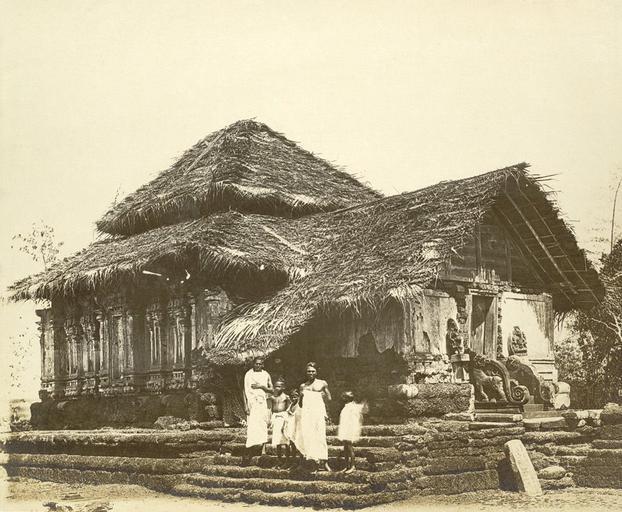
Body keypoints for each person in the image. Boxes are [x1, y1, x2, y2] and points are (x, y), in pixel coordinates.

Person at [299, 361, 332, 473]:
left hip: (318, 413)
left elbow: (329, 398)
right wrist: (301, 397)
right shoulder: (303, 386)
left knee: (320, 436)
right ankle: (312, 462)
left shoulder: (322, 383)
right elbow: (300, 404)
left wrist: (323, 396)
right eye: (309, 371)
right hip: (307, 414)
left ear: (317, 372)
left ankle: (325, 462)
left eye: (313, 371)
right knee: (308, 436)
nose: (311, 373)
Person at [242, 356, 273, 465]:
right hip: (252, 404)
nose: (258, 365)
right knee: (252, 427)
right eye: (256, 364)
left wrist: (262, 387)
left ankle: (263, 450)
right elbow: (244, 391)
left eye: (260, 364)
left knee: (263, 425)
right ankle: (249, 450)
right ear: (253, 364)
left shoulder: (266, 374)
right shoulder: (248, 374)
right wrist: (245, 405)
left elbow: (272, 389)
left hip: (262, 403)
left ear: (262, 365)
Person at [337, 391, 368, 473]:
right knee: (345, 447)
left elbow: (355, 419)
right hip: (345, 429)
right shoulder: (346, 407)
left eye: (344, 397)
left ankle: (353, 466)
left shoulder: (352, 407)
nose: (342, 398)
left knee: (349, 447)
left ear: (347, 398)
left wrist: (352, 430)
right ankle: (346, 465)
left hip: (349, 429)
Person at [270, 378, 291, 468]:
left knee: (286, 441)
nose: (277, 388)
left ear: (283, 387)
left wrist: (287, 422)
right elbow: (271, 409)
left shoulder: (286, 397)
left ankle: (287, 460)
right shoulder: (273, 397)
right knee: (277, 441)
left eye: (279, 386)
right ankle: (279, 460)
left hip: (284, 419)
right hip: (276, 418)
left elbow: (289, 409)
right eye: (275, 386)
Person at [284, 387, 304, 466]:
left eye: (295, 396)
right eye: (292, 397)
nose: (293, 398)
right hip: (290, 427)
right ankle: (291, 462)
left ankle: (300, 463)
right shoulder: (291, 405)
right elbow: (287, 416)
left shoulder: (300, 405)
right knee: (290, 445)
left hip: (297, 427)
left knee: (298, 444)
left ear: (298, 396)